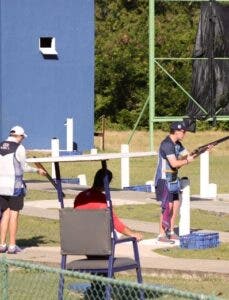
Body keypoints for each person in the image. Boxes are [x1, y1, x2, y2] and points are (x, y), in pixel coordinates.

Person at [0, 125, 46, 254]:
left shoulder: (1, 145)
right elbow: (24, 167)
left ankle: (2, 244)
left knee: (5, 214)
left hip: (1, 187)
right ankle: (12, 246)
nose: (22, 140)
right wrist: (37, 170)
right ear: (19, 136)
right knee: (14, 215)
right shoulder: (19, 148)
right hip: (15, 186)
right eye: (22, 137)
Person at [154, 121, 195, 243]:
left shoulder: (177, 144)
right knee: (167, 206)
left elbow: (188, 155)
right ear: (176, 131)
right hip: (163, 179)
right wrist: (187, 161)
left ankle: (171, 232)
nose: (184, 134)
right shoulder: (167, 144)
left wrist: (202, 150)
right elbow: (174, 163)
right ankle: (161, 234)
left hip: (173, 179)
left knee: (176, 204)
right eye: (183, 131)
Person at [74, 168, 142, 241]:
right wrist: (132, 234)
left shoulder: (80, 196)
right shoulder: (102, 200)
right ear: (107, 183)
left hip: (79, 237)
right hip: (97, 240)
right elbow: (115, 223)